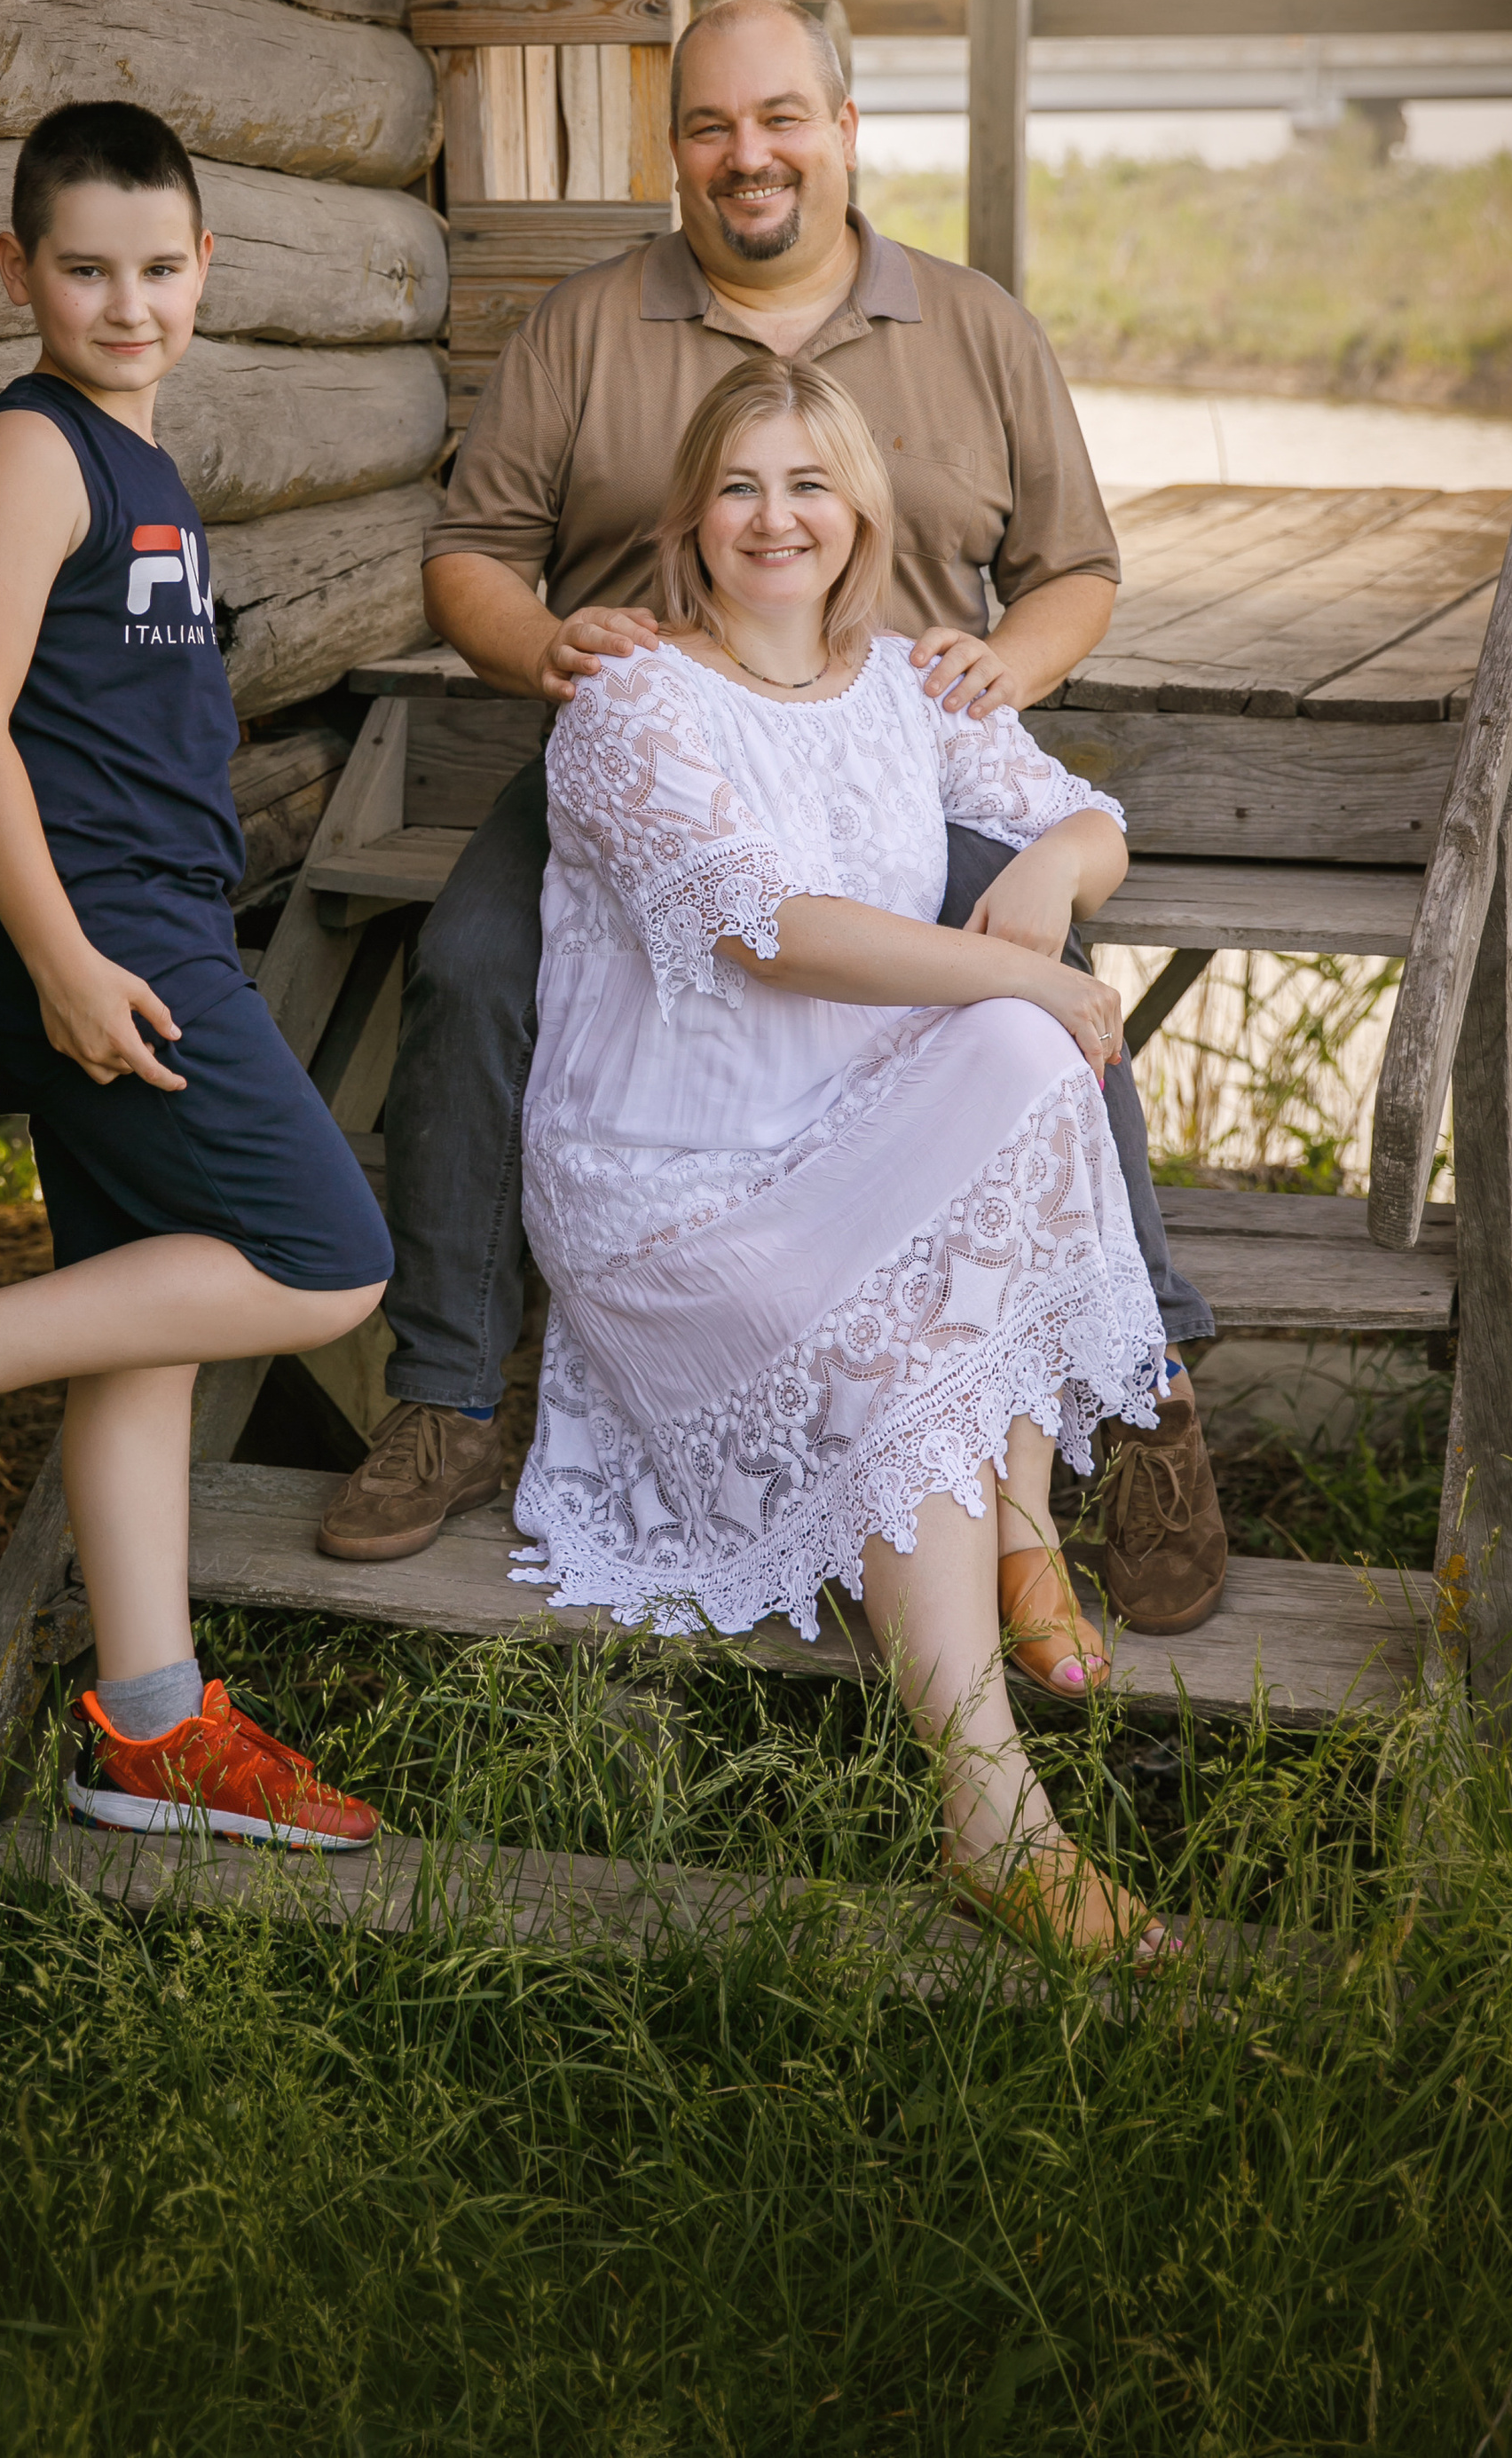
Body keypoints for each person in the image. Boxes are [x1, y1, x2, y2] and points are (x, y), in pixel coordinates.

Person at [319, 0, 1224, 1637]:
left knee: (1046, 982)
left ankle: (1149, 1392)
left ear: (846, 126)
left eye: (782, 117)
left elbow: (1077, 568)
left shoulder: (973, 323)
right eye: (714, 126)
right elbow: (472, 552)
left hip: (893, 742)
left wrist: (995, 676)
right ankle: (448, 1385)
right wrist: (538, 643)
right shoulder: (586, 327)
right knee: (463, 965)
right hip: (656, 763)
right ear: (676, 152)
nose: (751, 155)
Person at [0, 101, 390, 1851]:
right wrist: (59, 960)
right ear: (17, 271)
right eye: (82, 270)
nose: (125, 305)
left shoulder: (144, 471)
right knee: (323, 1257)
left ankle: (148, 1729)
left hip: (148, 927)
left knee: (152, 1324)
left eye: (154, 268)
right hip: (94, 936)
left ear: (204, 268)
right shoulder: (30, 454)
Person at [514, 354, 1172, 1952]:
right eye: (740, 485)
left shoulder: (899, 688)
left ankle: (1018, 1523)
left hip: (852, 1143)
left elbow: (1087, 816)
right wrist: (1024, 964)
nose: (775, 517)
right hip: (673, 1189)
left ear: (862, 511)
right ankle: (995, 1819)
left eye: (809, 483)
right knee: (912, 1301)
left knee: (1030, 1055)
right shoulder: (630, 707)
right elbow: (772, 932)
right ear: (689, 517)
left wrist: (1049, 888)